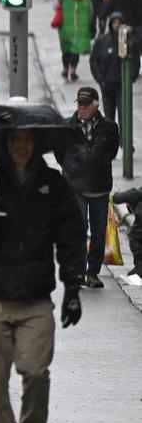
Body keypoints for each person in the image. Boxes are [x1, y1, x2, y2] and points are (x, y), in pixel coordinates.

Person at [0, 129, 86, 423]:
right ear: (5, 144)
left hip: (36, 297)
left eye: (27, 140)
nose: (21, 147)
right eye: (15, 140)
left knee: (36, 372)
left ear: (37, 144)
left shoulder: (53, 185)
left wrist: (72, 288)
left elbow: (71, 237)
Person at [53, 87, 120, 289]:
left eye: (85, 105)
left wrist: (95, 162)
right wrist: (71, 167)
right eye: (79, 104)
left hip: (99, 187)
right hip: (75, 186)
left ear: (95, 105)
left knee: (99, 232)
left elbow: (111, 151)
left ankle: (93, 272)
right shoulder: (67, 127)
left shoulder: (109, 127)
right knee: (79, 229)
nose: (81, 108)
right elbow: (59, 152)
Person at [88, 12, 139, 122]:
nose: (116, 25)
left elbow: (135, 60)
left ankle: (123, 139)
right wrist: (100, 79)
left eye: (119, 22)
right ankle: (112, 139)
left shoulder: (128, 41)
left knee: (123, 115)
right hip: (107, 86)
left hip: (122, 85)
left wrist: (131, 78)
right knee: (109, 117)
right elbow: (93, 61)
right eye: (114, 22)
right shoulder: (102, 41)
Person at [54, 0, 93, 81]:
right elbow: (90, 11)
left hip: (65, 27)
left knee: (66, 48)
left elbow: (55, 7)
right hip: (80, 27)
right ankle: (73, 70)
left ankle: (65, 68)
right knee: (76, 49)